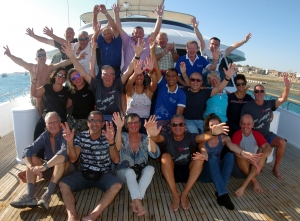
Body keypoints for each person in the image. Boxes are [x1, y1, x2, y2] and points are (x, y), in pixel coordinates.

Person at [34, 111, 122, 221]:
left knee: (117, 185)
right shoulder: (81, 136)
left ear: (103, 123)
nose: (94, 123)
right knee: (63, 184)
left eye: (98, 121)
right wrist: (70, 142)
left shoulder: (108, 136)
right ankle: (72, 216)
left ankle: (93, 215)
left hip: (104, 173)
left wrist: (111, 141)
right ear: (87, 123)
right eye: (92, 120)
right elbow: (73, 158)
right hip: (84, 173)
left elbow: (116, 160)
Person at [147, 114, 229, 211]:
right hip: (171, 172)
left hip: (188, 172)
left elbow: (203, 137)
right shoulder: (167, 137)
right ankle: (175, 196)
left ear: (185, 126)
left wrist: (213, 133)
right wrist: (152, 135)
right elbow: (158, 138)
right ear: (170, 126)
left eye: (181, 124)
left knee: (199, 158)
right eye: (175, 125)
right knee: (165, 157)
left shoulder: (190, 136)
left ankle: (184, 194)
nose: (178, 127)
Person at [10, 112, 75, 210]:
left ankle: (47, 196)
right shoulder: (45, 135)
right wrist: (32, 167)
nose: (52, 125)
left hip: (67, 172)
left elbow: (63, 155)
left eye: (55, 122)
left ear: (60, 123)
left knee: (59, 161)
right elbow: (28, 150)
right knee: (32, 158)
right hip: (51, 171)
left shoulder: (65, 134)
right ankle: (30, 196)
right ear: (46, 125)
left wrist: (43, 167)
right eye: (49, 123)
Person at [62, 41, 140, 122]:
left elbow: (128, 72)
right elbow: (83, 73)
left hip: (115, 118)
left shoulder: (118, 83)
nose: (108, 77)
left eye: (111, 74)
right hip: (100, 119)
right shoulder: (97, 84)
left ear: (114, 76)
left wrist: (137, 55)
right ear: (101, 76)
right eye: (105, 74)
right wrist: (71, 56)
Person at [196, 113, 260, 210]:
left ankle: (220, 192)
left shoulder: (224, 138)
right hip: (205, 174)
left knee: (230, 155)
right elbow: (202, 148)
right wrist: (204, 154)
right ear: (208, 127)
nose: (215, 127)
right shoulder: (203, 139)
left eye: (217, 125)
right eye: (212, 126)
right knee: (212, 158)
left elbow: (232, 146)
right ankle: (223, 194)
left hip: (217, 173)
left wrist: (243, 153)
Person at [241, 74, 290, 179]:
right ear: (254, 93)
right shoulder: (248, 106)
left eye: (261, 91)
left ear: (264, 93)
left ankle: (275, 168)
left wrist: (287, 87)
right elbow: (242, 123)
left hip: (267, 135)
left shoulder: (269, 104)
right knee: (260, 169)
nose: (259, 93)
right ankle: (258, 164)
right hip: (253, 137)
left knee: (282, 142)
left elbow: (283, 99)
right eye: (257, 91)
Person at [112, 113, 160, 216]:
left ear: (140, 124)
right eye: (130, 123)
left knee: (150, 168)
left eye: (136, 122)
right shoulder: (122, 136)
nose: (133, 125)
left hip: (140, 171)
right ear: (126, 125)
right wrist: (119, 128)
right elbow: (117, 148)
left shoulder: (145, 138)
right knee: (130, 172)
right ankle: (138, 202)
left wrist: (151, 136)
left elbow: (155, 154)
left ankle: (135, 200)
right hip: (123, 172)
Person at [3, 46, 73, 116]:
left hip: (47, 95)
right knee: (38, 97)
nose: (42, 57)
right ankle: (42, 118)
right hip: (35, 95)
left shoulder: (49, 68)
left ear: (46, 57)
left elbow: (62, 63)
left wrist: (76, 58)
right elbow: (21, 62)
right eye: (39, 55)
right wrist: (10, 55)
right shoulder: (32, 67)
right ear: (36, 58)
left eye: (44, 55)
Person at [181, 62, 235, 134]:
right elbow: (192, 85)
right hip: (207, 121)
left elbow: (221, 89)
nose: (214, 80)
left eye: (215, 78)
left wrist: (241, 90)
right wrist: (184, 74)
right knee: (199, 135)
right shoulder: (206, 90)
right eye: (211, 80)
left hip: (221, 121)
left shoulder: (226, 93)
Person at [112, 3, 164, 72]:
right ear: (133, 34)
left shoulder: (148, 41)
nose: (138, 34)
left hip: (142, 74)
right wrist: (116, 13)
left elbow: (156, 31)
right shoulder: (127, 40)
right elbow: (118, 28)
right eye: (136, 33)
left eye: (140, 33)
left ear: (143, 34)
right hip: (128, 74)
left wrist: (159, 16)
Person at [232, 114, 272, 197]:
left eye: (248, 124)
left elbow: (268, 148)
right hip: (240, 168)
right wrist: (251, 159)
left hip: (254, 167)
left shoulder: (256, 134)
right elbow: (236, 152)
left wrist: (258, 157)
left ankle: (244, 185)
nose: (245, 126)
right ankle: (254, 181)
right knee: (240, 155)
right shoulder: (237, 134)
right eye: (243, 123)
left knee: (262, 155)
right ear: (240, 124)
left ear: (252, 125)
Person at [125, 39, 158, 134]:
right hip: (130, 121)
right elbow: (128, 83)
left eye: (141, 75)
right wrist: (135, 73)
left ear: (144, 76)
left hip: (144, 123)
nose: (139, 77)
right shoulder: (130, 90)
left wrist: (151, 71)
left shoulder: (148, 90)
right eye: (137, 75)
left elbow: (154, 82)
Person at [30, 67, 72, 140]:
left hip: (60, 120)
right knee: (37, 139)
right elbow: (34, 94)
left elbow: (68, 104)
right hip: (46, 119)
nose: (62, 77)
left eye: (64, 76)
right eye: (60, 74)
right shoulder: (47, 87)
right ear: (55, 75)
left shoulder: (67, 91)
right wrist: (34, 79)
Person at [92, 4, 122, 78]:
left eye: (108, 33)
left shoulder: (117, 42)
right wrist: (95, 15)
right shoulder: (101, 43)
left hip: (116, 73)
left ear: (112, 34)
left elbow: (114, 28)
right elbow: (95, 32)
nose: (107, 36)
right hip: (103, 71)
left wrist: (106, 13)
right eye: (104, 34)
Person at [66, 68, 95, 135]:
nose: (77, 79)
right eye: (73, 79)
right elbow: (66, 106)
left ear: (82, 75)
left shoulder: (90, 87)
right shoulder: (71, 92)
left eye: (78, 75)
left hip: (87, 121)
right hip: (74, 120)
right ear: (72, 82)